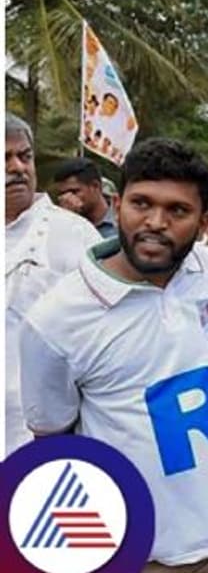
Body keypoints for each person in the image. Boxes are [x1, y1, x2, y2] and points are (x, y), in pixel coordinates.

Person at [20, 138, 208, 570]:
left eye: (177, 211)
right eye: (141, 203)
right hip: (134, 551)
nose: (155, 222)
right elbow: (53, 441)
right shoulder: (55, 320)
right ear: (118, 203)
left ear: (204, 222)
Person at [5, 114, 101, 456]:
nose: (17, 167)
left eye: (24, 156)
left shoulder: (73, 234)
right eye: (5, 158)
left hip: (46, 434)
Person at [51, 156, 118, 238]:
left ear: (95, 187)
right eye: (61, 194)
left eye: (74, 192)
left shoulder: (121, 221)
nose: (66, 198)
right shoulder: (59, 223)